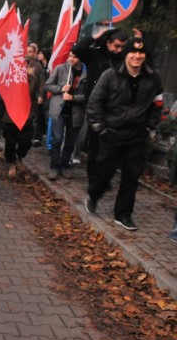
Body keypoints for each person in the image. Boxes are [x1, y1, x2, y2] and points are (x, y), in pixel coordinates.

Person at [85, 37, 163, 231]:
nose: (137, 56)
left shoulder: (153, 78)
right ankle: (94, 195)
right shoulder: (110, 75)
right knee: (103, 172)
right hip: (111, 133)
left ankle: (123, 214)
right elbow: (95, 102)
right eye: (133, 52)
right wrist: (100, 128)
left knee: (131, 176)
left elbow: (158, 104)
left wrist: (149, 127)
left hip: (137, 135)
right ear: (126, 55)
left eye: (141, 53)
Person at [73, 28, 129, 174]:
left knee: (110, 143)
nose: (119, 50)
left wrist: (138, 43)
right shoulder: (94, 55)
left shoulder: (124, 60)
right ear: (108, 42)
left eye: (123, 47)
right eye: (117, 46)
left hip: (115, 108)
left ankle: (103, 174)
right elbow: (78, 48)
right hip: (95, 107)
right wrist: (94, 36)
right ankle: (93, 174)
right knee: (95, 142)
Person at [2, 44, 44, 178]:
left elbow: (38, 87)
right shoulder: (9, 74)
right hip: (11, 114)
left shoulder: (33, 74)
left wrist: (39, 94)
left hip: (27, 112)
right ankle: (12, 163)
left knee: (26, 140)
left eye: (26, 63)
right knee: (10, 140)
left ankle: (20, 157)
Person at [45, 49, 86, 180]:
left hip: (75, 112)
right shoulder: (61, 69)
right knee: (57, 139)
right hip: (59, 110)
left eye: (74, 57)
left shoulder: (86, 73)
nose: (71, 59)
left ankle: (64, 165)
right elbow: (48, 85)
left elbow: (88, 96)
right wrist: (60, 89)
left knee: (70, 141)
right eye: (70, 56)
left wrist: (73, 98)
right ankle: (54, 166)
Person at [27, 43, 47, 147]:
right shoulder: (22, 63)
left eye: (30, 51)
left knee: (34, 118)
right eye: (27, 51)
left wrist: (40, 95)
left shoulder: (38, 66)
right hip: (23, 97)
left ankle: (35, 137)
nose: (28, 53)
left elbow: (41, 82)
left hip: (33, 97)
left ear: (35, 53)